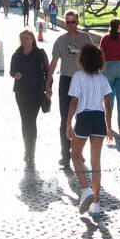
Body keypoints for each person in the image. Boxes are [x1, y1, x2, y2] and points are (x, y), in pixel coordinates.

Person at [65, 42, 113, 218]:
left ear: (83, 60)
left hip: (84, 117)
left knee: (75, 155)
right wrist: (109, 127)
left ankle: (85, 189)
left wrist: (68, 123)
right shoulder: (102, 79)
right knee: (95, 162)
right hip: (99, 118)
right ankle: (96, 203)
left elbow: (74, 102)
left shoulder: (78, 76)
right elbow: (107, 104)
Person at [46, 10, 93, 170]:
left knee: (81, 120)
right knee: (65, 120)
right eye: (68, 22)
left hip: (82, 81)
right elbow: (53, 62)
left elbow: (92, 59)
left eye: (73, 22)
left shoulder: (85, 38)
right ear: (65, 23)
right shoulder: (60, 40)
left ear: (78, 22)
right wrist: (48, 82)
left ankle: (77, 153)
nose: (71, 25)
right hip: (66, 81)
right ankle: (65, 155)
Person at [9, 28, 50, 169]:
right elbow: (11, 71)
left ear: (32, 39)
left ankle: (31, 154)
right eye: (23, 39)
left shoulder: (39, 54)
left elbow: (47, 71)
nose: (25, 41)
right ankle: (27, 150)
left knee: (31, 122)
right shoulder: (17, 54)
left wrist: (48, 87)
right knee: (24, 121)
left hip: (36, 92)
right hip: (21, 93)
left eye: (27, 38)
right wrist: (16, 74)